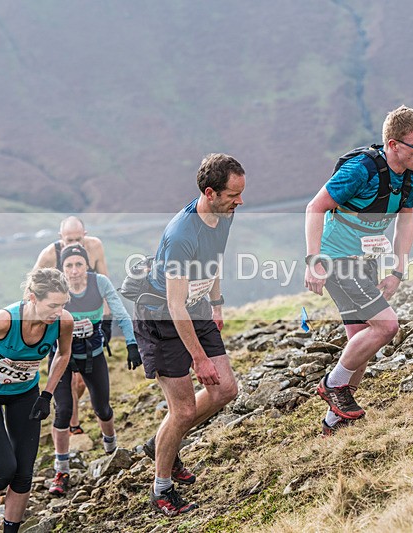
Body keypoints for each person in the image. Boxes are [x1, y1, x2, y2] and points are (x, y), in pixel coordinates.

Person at [304, 105, 413, 436]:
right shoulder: (360, 170)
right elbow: (315, 207)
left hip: (366, 261)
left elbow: (406, 219)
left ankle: (334, 422)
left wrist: (398, 271)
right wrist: (313, 260)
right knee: (386, 326)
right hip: (337, 259)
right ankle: (332, 384)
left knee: (362, 342)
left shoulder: (412, 171)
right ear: (392, 144)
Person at [133, 153, 243, 516]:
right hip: (162, 317)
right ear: (210, 192)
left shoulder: (223, 214)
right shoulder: (182, 235)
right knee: (182, 410)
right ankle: (161, 488)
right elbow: (174, 306)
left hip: (196, 308)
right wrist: (198, 359)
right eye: (232, 194)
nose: (239, 201)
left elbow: (215, 261)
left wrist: (217, 303)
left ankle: (162, 440)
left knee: (226, 388)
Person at [0, 268, 73, 533]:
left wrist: (47, 394)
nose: (58, 312)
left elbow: (63, 354)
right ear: (33, 298)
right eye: (52, 305)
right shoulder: (4, 320)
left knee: (23, 476)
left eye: (63, 304)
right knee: (3, 470)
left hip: (25, 394)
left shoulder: (63, 321)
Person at [47, 244, 142, 496]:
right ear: (62, 268)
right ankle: (61, 470)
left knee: (102, 408)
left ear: (87, 265)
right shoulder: (56, 287)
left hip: (93, 355)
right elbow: (40, 319)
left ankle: (111, 449)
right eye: (69, 265)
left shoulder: (99, 283)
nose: (74, 270)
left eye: (79, 264)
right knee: (63, 410)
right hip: (61, 358)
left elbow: (122, 314)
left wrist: (132, 344)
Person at [35, 215, 110, 435]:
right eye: (69, 240)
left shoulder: (95, 247)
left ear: (85, 235)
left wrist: (105, 319)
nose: (74, 244)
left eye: (78, 238)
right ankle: (72, 424)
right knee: (67, 374)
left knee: (80, 380)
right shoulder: (51, 254)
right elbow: (32, 284)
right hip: (61, 317)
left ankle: (70, 418)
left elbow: (104, 279)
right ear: (60, 238)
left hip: (90, 316)